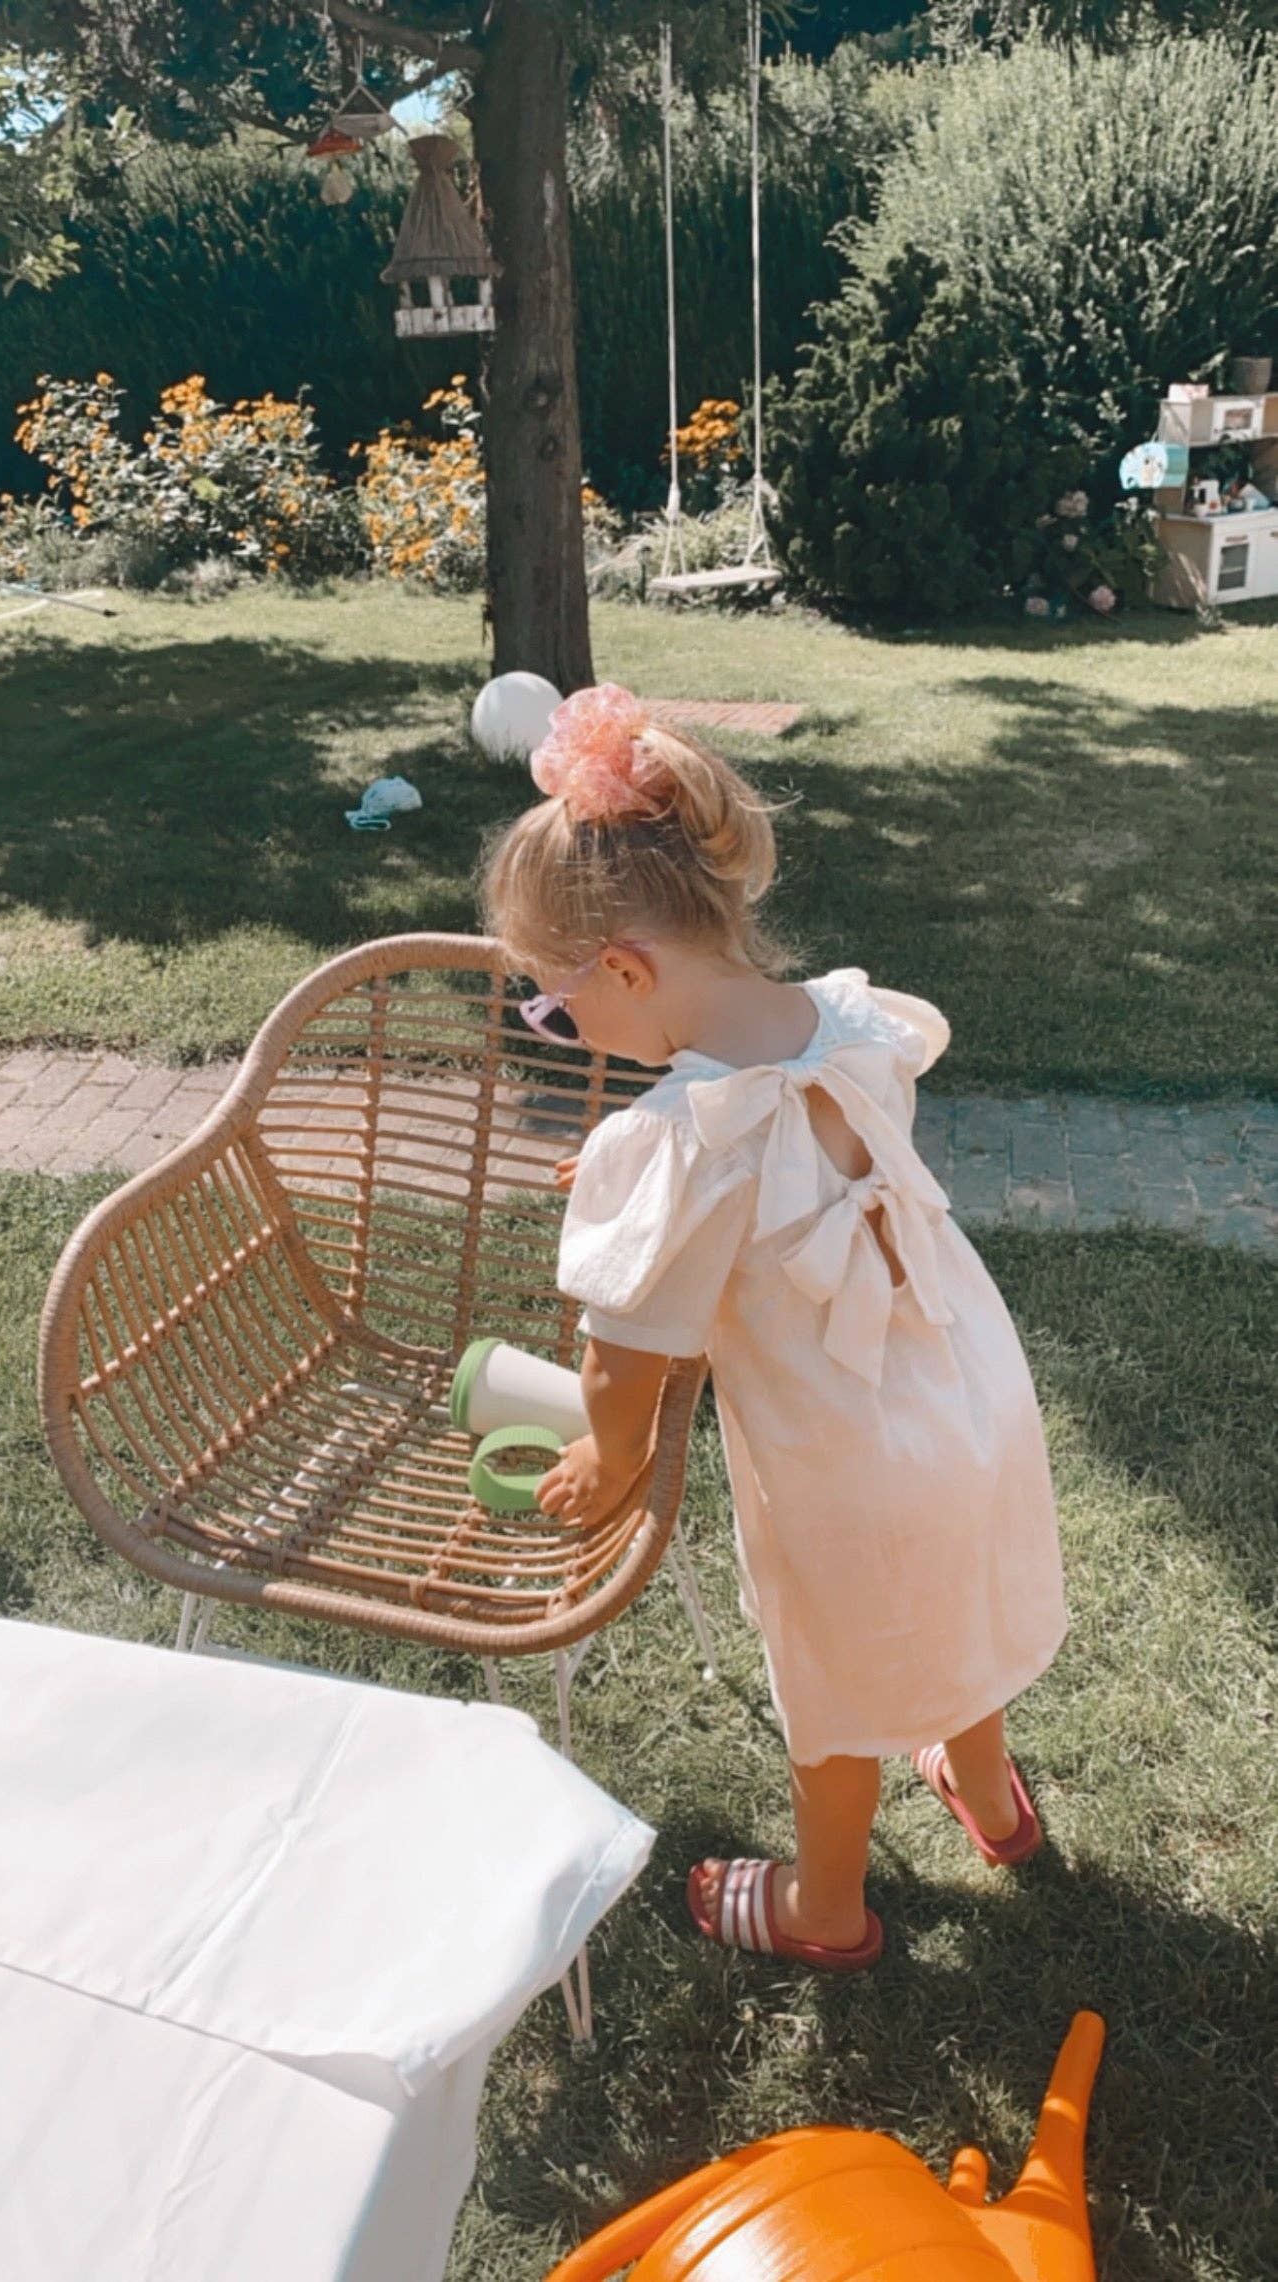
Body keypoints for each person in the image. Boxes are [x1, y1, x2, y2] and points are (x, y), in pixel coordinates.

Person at [480, 683, 1067, 1972]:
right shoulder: (855, 1024)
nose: (561, 1027)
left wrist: (614, 1456)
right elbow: (792, 1155)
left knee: (833, 1686)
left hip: (839, 1461)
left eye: (554, 1004)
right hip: (967, 1397)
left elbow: (620, 1359)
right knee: (947, 1608)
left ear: (625, 970)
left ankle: (824, 1907)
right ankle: (992, 1799)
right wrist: (645, 1173)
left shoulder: (679, 1142)